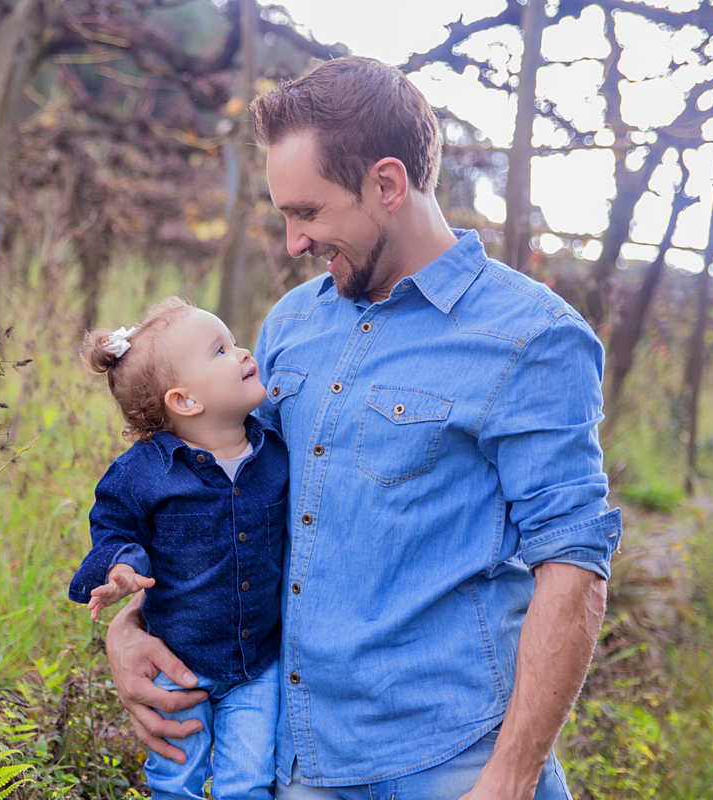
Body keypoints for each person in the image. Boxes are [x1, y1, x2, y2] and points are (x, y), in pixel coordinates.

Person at [106, 56, 623, 800]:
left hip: (454, 763)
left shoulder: (532, 336)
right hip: (299, 758)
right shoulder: (291, 324)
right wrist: (132, 628)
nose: (294, 242)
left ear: (387, 184)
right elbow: (226, 505)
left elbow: (572, 564)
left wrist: (510, 778)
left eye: (308, 213)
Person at [68, 296, 288, 800]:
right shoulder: (143, 473)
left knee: (250, 783)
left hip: (258, 664)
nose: (244, 352)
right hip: (177, 660)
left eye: (233, 341)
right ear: (185, 401)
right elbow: (115, 527)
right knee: (175, 780)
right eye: (220, 350)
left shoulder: (275, 451)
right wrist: (122, 569)